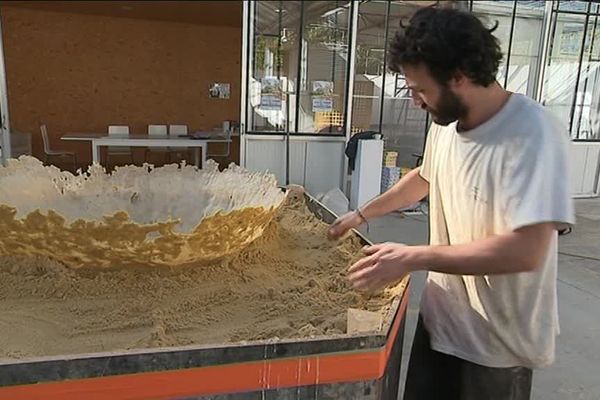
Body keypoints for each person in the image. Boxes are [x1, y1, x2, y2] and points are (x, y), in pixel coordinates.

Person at [328, 7, 575, 400]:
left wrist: (413, 256)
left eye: (421, 90)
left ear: (459, 77)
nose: (415, 102)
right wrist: (361, 213)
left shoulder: (533, 134)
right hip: (442, 323)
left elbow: (525, 251)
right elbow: (426, 177)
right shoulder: (447, 125)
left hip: (497, 345)